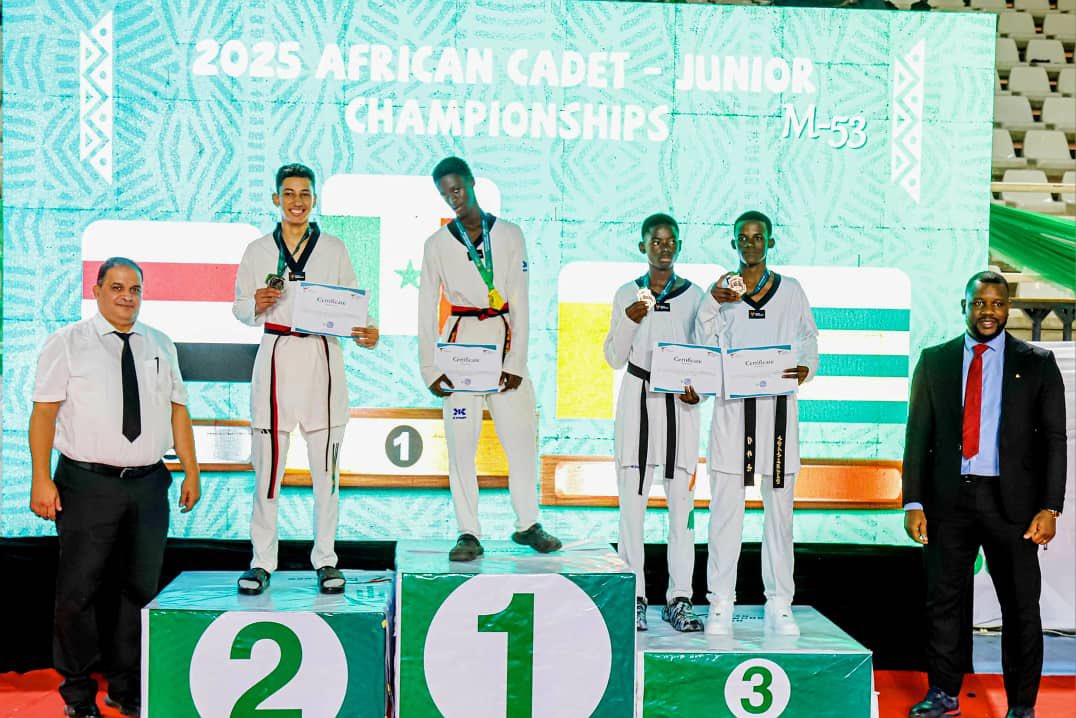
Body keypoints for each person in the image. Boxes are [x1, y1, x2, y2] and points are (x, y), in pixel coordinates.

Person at [30, 257, 201, 718]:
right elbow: (43, 414)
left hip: (148, 486)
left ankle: (126, 688)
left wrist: (191, 469)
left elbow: (178, 410)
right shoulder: (66, 344)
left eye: (136, 289)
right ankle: (78, 693)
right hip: (86, 483)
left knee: (139, 591)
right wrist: (40, 478)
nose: (127, 296)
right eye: (118, 287)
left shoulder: (160, 344)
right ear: (98, 289)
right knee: (78, 592)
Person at [903, 271, 1066, 718]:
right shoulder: (934, 360)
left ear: (1007, 307)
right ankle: (944, 693)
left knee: (1020, 608)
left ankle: (1021, 706)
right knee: (944, 601)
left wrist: (1050, 507)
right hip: (947, 501)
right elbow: (918, 435)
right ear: (964, 307)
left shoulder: (1036, 361)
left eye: (996, 303)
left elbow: (1054, 440)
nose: (987, 311)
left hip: (1011, 506)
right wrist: (914, 501)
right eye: (979, 303)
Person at [232, 163, 379, 596]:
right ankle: (262, 562)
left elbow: (352, 302)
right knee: (267, 473)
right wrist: (254, 303)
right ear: (276, 199)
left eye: (305, 194)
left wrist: (368, 330)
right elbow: (240, 308)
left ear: (315, 200)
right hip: (276, 358)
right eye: (289, 193)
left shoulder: (333, 247)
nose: (297, 201)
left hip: (323, 361)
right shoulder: (258, 249)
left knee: (326, 474)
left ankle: (327, 560)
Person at [418, 156, 561, 560]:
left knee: (520, 440)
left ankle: (528, 523)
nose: (453, 198)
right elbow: (426, 306)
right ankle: (468, 532)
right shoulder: (437, 244)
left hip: (502, 343)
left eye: (457, 189)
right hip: (460, 349)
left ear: (472, 183)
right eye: (445, 194)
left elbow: (521, 301)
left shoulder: (512, 235)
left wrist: (515, 363)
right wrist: (430, 367)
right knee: (461, 445)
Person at [694, 210, 817, 637]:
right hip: (732, 418)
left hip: (778, 417)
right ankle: (720, 603)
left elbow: (807, 339)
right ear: (733, 243)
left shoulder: (791, 290)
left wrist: (804, 367)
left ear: (770, 241)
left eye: (757, 237)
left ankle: (780, 601)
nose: (750, 244)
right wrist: (712, 302)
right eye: (742, 238)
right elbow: (701, 343)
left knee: (779, 517)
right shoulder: (721, 293)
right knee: (725, 515)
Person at [604, 213, 705, 632]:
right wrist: (630, 316)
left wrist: (698, 388)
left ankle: (680, 597)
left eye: (670, 241)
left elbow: (704, 353)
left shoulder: (695, 295)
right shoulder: (628, 293)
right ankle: (637, 598)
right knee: (633, 507)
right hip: (637, 400)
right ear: (642, 246)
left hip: (679, 408)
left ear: (678, 246)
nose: (663, 248)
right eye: (655, 241)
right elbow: (612, 356)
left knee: (682, 508)